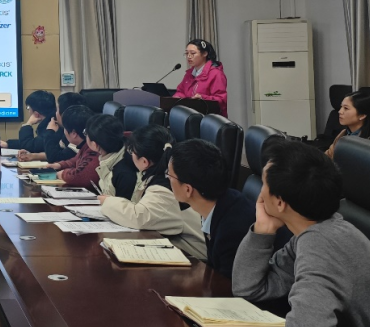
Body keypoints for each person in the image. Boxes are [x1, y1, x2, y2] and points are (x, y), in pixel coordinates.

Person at [233, 141, 370, 327]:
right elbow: (247, 287)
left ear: (280, 202)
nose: (260, 192)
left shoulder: (320, 245)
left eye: (264, 184)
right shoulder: (317, 231)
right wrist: (263, 230)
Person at [98, 125, 207, 260]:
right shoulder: (165, 174)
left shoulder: (165, 186)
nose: (130, 155)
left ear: (144, 161)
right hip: (177, 251)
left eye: (132, 151)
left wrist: (108, 202)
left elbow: (139, 218)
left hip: (196, 259)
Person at [168, 139, 255, 277]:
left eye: (169, 175)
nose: (167, 178)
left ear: (187, 189)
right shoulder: (222, 202)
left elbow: (227, 285)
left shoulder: (232, 231)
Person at [18, 92, 86, 163]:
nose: (55, 113)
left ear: (65, 113)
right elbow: (59, 152)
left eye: (57, 110)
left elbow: (54, 157)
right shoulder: (70, 129)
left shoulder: (75, 133)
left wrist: (50, 131)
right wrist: (33, 156)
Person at [84, 114, 136, 200]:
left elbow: (121, 205)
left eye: (86, 133)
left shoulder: (124, 172)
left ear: (94, 144)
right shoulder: (118, 154)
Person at [46, 105, 98, 188]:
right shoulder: (85, 145)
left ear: (74, 133)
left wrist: (61, 174)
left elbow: (80, 177)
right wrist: (60, 165)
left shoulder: (93, 148)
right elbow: (76, 160)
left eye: (65, 128)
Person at [172, 39, 227, 117]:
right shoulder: (189, 73)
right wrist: (177, 97)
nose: (189, 56)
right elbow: (181, 91)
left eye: (193, 53)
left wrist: (202, 98)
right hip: (190, 115)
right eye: (187, 53)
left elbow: (221, 100)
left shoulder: (216, 74)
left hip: (210, 118)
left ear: (204, 53)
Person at [326, 91, 370, 159]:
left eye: (346, 108)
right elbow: (327, 157)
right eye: (341, 107)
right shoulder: (343, 134)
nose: (340, 111)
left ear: (362, 115)